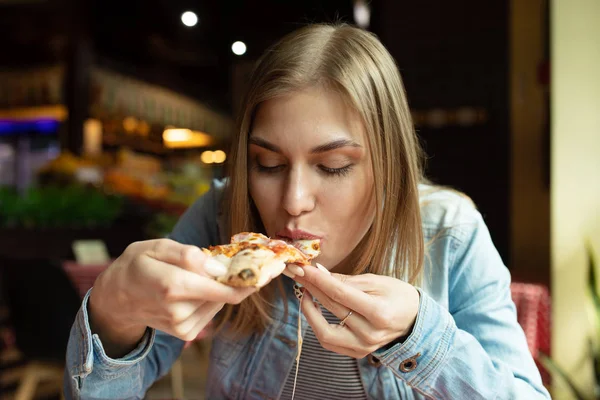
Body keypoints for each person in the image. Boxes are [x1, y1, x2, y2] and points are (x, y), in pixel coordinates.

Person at [64, 24, 551, 400]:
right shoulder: (221, 215)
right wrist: (111, 315)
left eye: (334, 166)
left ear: (390, 167)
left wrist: (416, 335)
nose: (294, 200)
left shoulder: (450, 231)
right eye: (268, 163)